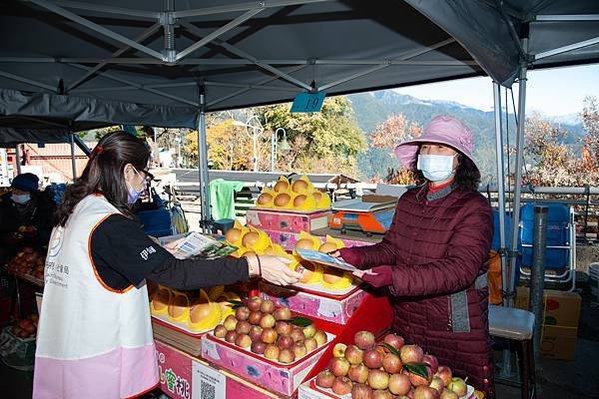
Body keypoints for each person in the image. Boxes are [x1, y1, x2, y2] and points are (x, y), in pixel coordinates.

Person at [33, 132, 301, 399]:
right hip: (97, 359)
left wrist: (154, 249)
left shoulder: (77, 210)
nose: (143, 184)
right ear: (128, 172)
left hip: (65, 348)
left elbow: (103, 257)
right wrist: (253, 265)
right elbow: (177, 275)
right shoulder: (109, 224)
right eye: (144, 175)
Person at [338, 115, 494, 397]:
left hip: (453, 326)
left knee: (456, 389)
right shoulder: (409, 200)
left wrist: (393, 276)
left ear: (460, 160)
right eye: (426, 148)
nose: (431, 154)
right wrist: (356, 256)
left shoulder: (474, 207)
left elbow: (461, 270)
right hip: (408, 319)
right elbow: (392, 249)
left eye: (442, 148)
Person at [0, 173, 55, 253]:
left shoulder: (44, 205)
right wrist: (8, 235)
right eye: (15, 190)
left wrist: (36, 231)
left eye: (22, 191)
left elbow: (49, 228)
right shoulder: (3, 204)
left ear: (32, 193)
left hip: (36, 250)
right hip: (8, 250)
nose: (17, 194)